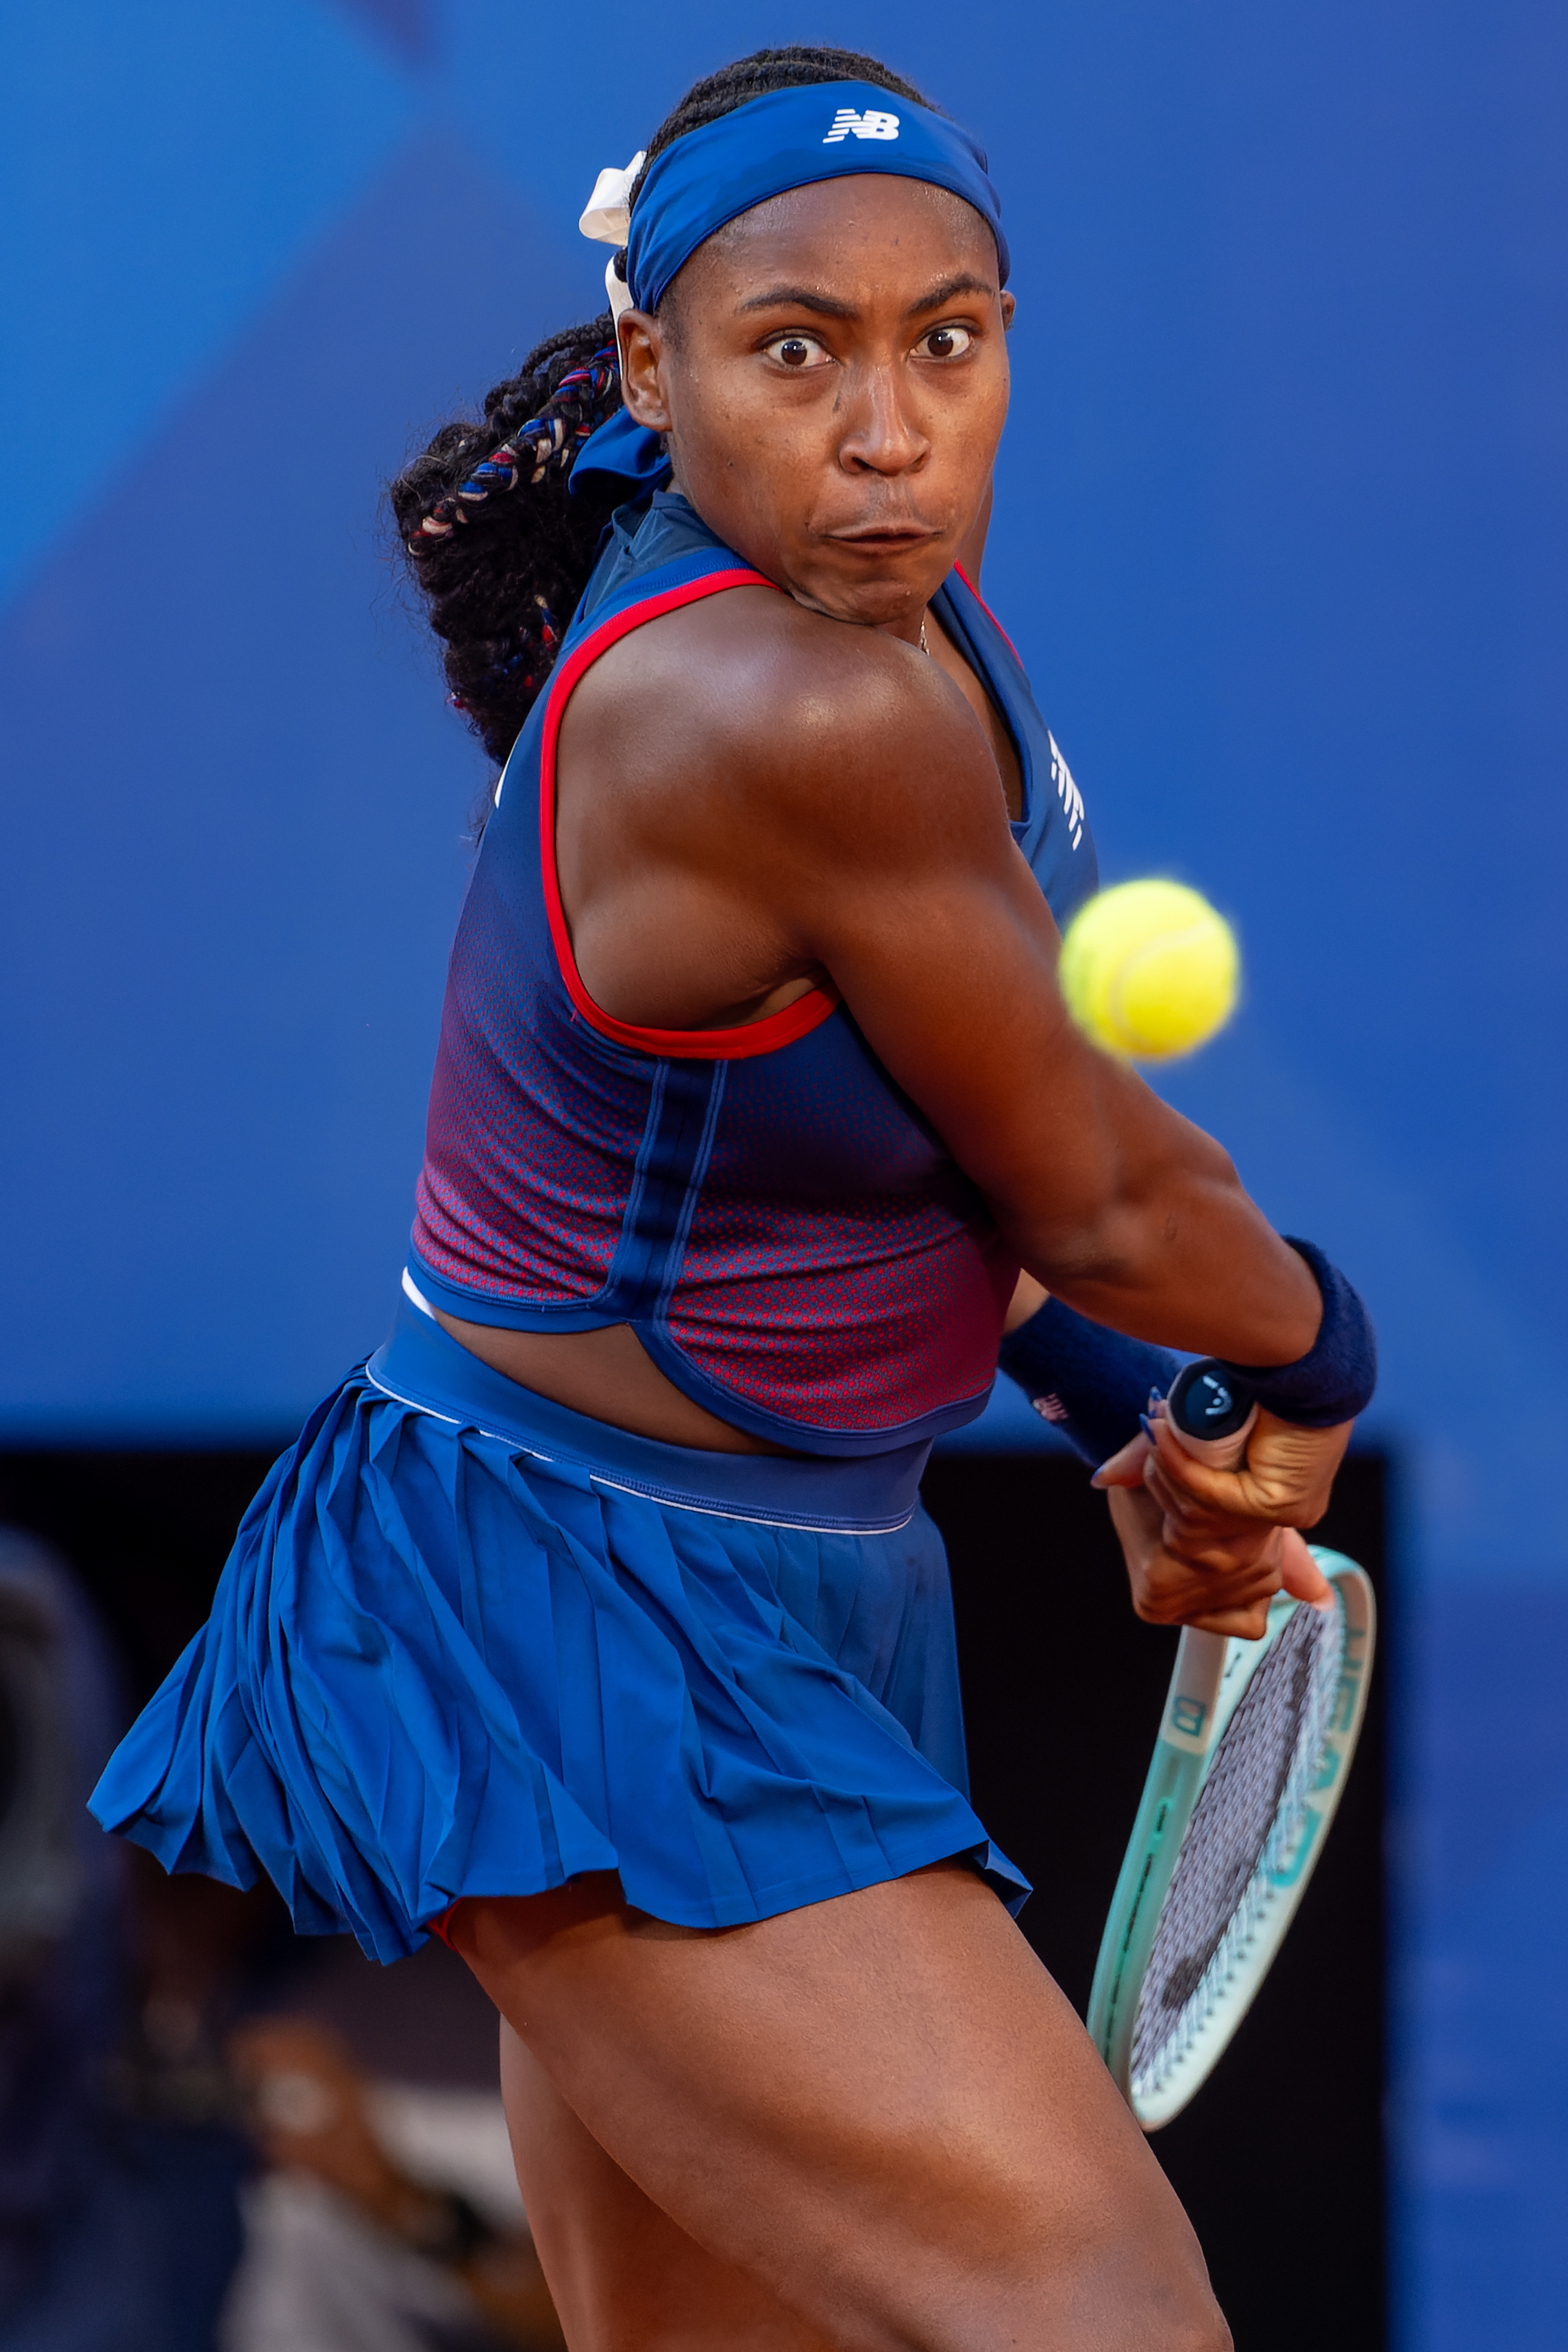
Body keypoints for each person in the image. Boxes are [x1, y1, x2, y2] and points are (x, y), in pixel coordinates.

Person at [92, 46, 1377, 2352]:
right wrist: (1303, 1357)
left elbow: (918, 1166)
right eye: (800, 350)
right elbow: (1092, 1187)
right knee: (1106, 2316)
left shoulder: (905, 633)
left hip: (787, 1582)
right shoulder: (788, 709)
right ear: (649, 371)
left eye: (947, 342)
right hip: (574, 1623)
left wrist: (1119, 1410)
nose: (889, 427)